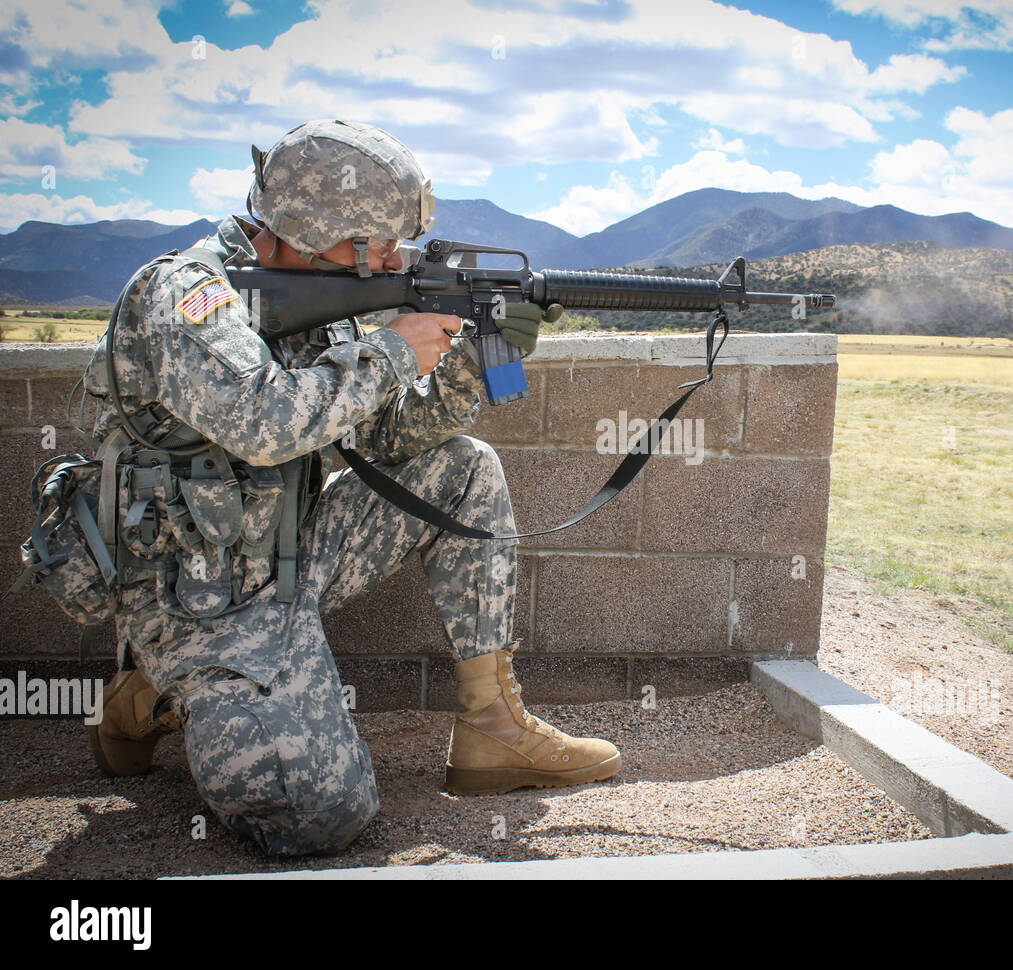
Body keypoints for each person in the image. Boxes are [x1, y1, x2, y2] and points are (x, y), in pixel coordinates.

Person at [77, 119, 620, 856]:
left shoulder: (314, 297)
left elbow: (382, 440)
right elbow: (262, 421)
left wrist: (469, 360)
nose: (395, 259)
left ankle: (493, 730)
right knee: (318, 820)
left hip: (289, 557)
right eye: (378, 245)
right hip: (197, 597)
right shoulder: (188, 294)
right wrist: (394, 350)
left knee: (461, 467)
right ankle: (153, 690)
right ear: (307, 229)